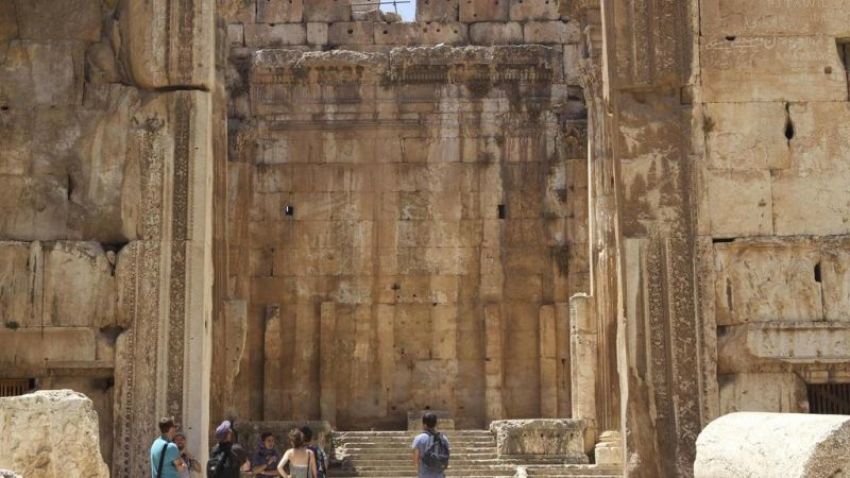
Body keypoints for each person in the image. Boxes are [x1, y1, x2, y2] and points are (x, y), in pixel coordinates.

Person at [411, 412, 450, 478]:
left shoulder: (418, 439)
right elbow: (446, 456)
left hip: (424, 475)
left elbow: (415, 460)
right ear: (435, 424)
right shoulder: (443, 438)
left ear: (424, 425)